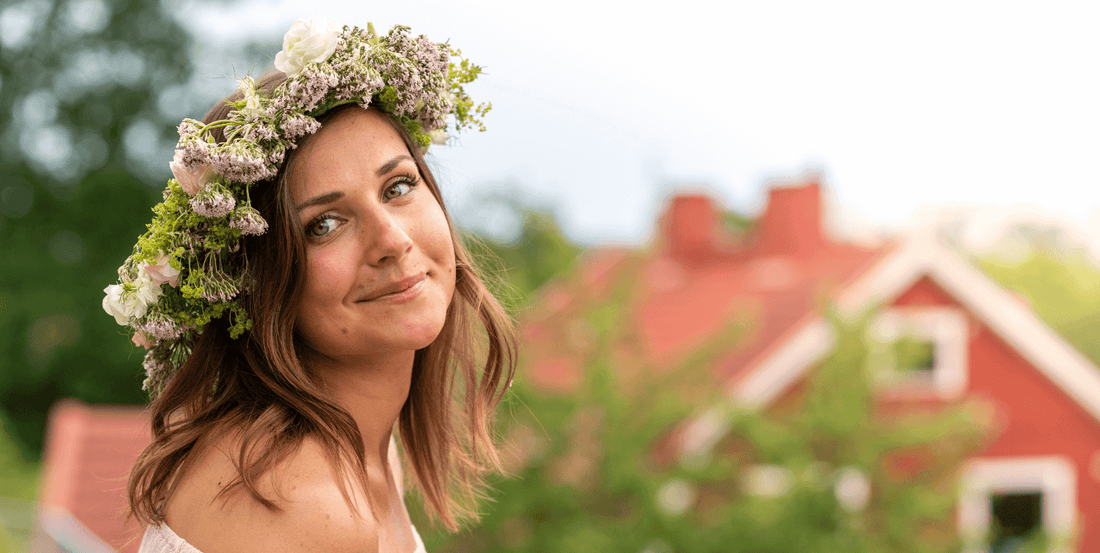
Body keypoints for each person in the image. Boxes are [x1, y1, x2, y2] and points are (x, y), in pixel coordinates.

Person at [102, 18, 516, 553]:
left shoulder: (357, 450)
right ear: (260, 281)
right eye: (324, 224)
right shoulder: (297, 500)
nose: (391, 240)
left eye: (398, 186)